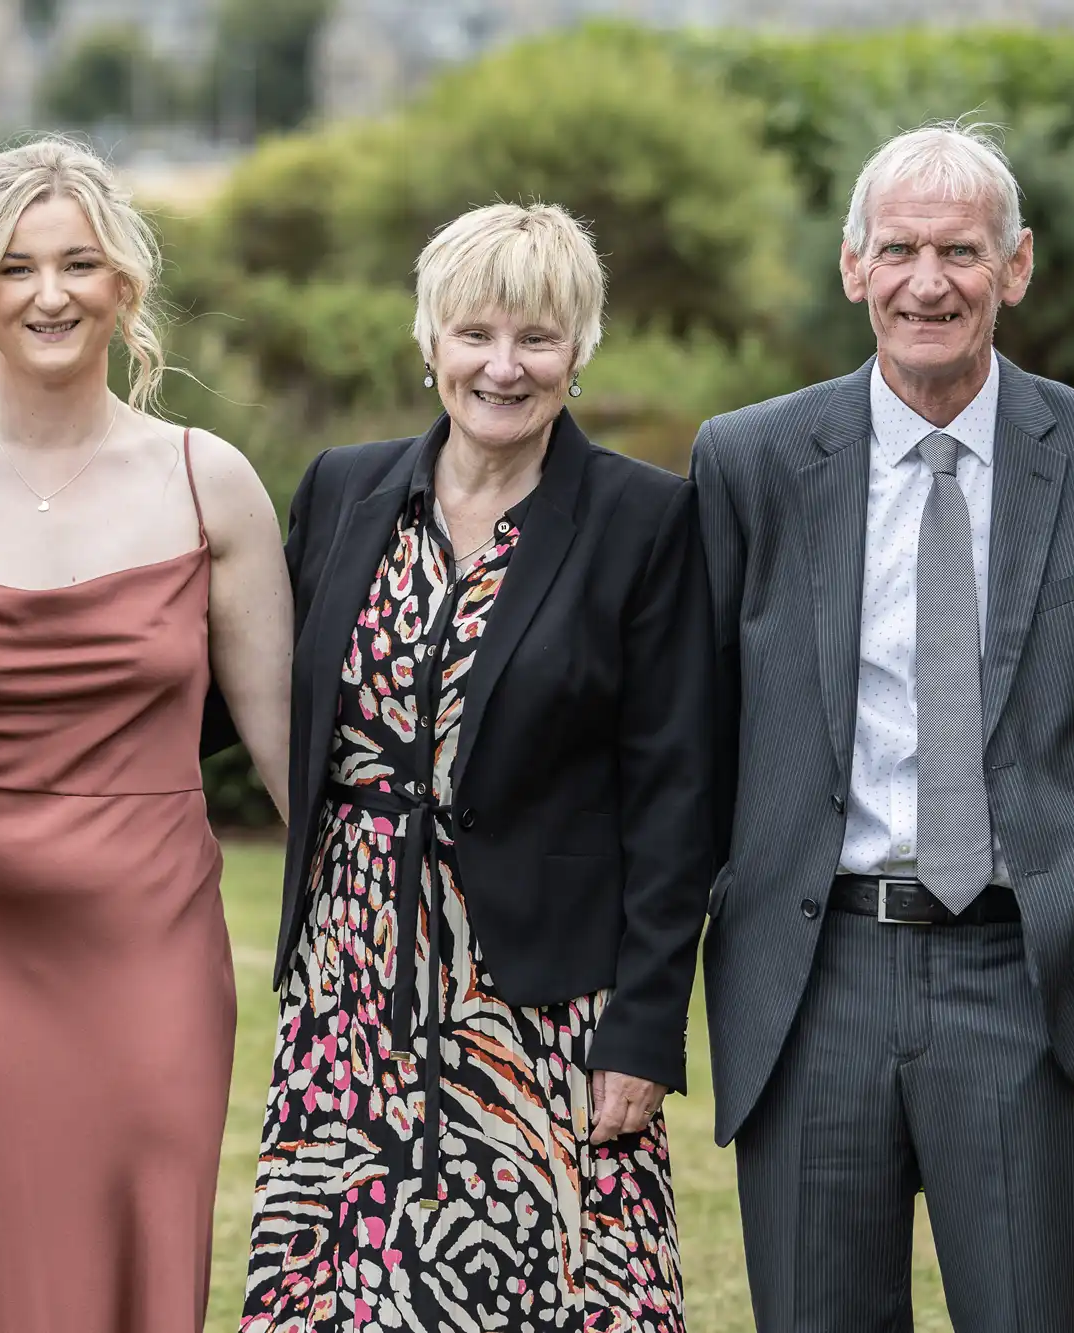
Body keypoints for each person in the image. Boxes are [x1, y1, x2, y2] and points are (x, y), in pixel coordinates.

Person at [691, 122, 1074, 1331]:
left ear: (1015, 265)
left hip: (1019, 978)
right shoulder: (749, 461)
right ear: (851, 267)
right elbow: (694, 738)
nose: (926, 282)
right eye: (898, 249)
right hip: (812, 979)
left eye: (959, 251)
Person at [0, 135, 292, 1332]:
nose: (49, 293)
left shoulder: (209, 482)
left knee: (139, 1259)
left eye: (78, 263)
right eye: (17, 267)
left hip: (150, 955)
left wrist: (392, 918)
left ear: (123, 284)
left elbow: (291, 746)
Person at [241, 202, 717, 1332]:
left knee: (529, 1293)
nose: (502, 367)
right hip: (349, 976)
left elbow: (676, 798)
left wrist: (644, 1029)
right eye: (474, 334)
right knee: (347, 1294)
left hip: (539, 1002)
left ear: (577, 350)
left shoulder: (643, 520)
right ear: (428, 340)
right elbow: (244, 690)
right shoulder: (341, 491)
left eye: (536, 339)